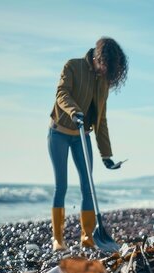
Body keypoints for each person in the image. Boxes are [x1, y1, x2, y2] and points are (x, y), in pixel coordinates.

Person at [48, 37, 128, 251]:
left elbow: (102, 120)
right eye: (105, 66)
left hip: (82, 136)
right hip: (59, 133)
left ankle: (88, 237)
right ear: (98, 58)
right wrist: (75, 112)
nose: (106, 72)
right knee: (61, 185)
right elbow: (61, 93)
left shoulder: (103, 81)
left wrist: (106, 155)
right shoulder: (73, 66)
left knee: (88, 186)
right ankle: (58, 239)